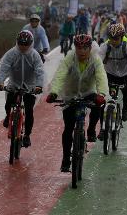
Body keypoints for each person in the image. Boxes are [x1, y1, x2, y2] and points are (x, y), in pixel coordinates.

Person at [46, 34, 108, 172]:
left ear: (90, 48)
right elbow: (60, 75)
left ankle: (91, 129)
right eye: (79, 48)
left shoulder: (96, 60)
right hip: (70, 94)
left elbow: (101, 77)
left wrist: (102, 94)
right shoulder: (69, 58)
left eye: (85, 48)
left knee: (98, 105)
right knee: (68, 128)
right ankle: (65, 159)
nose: (82, 51)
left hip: (88, 92)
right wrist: (54, 92)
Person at [0, 30, 44, 148]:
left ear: (31, 44)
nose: (23, 47)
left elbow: (40, 71)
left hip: (30, 86)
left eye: (26, 44)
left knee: (29, 110)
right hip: (14, 84)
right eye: (21, 44)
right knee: (8, 104)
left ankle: (27, 135)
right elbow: (4, 67)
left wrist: (39, 85)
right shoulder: (11, 53)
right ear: (17, 42)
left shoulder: (34, 55)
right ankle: (8, 115)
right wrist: (0, 82)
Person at [99, 23, 127, 128]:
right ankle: (103, 129)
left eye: (116, 38)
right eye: (111, 38)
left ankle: (125, 109)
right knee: (103, 102)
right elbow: (97, 63)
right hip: (110, 74)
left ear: (122, 37)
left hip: (125, 75)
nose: (113, 41)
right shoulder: (105, 47)